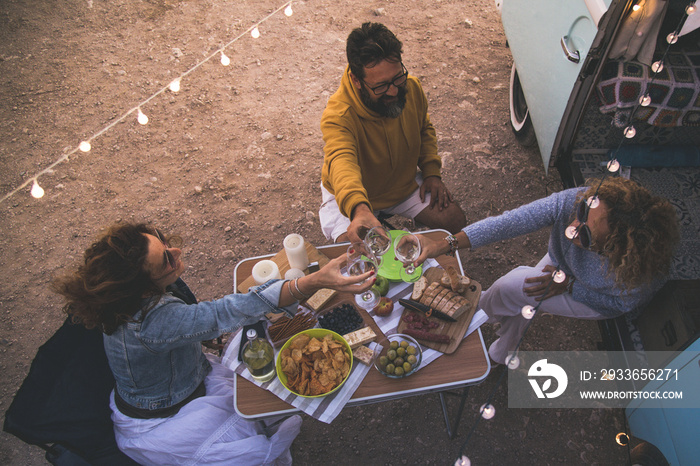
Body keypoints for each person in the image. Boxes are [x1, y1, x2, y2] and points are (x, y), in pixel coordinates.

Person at [51, 222, 375, 465]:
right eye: (165, 258)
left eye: (164, 241)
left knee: (264, 392)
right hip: (168, 416)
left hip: (189, 375)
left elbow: (204, 320)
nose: (176, 251)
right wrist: (313, 281)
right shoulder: (151, 322)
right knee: (251, 449)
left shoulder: (131, 298)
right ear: (141, 285)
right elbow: (226, 311)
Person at [411, 177, 679, 364]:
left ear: (616, 248)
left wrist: (571, 286)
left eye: (585, 237)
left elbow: (618, 303)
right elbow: (510, 222)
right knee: (522, 297)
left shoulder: (638, 272)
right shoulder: (578, 201)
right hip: (562, 268)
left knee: (513, 287)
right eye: (583, 211)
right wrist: (446, 244)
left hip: (594, 295)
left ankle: (472, 317)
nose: (573, 226)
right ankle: (502, 351)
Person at [319, 22, 467, 244]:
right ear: (356, 80)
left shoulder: (412, 88)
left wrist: (431, 172)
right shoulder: (339, 116)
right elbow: (341, 162)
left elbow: (424, 129)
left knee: (456, 222)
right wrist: (359, 208)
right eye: (381, 86)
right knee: (355, 253)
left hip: (402, 185)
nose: (394, 91)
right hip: (355, 196)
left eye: (398, 78)